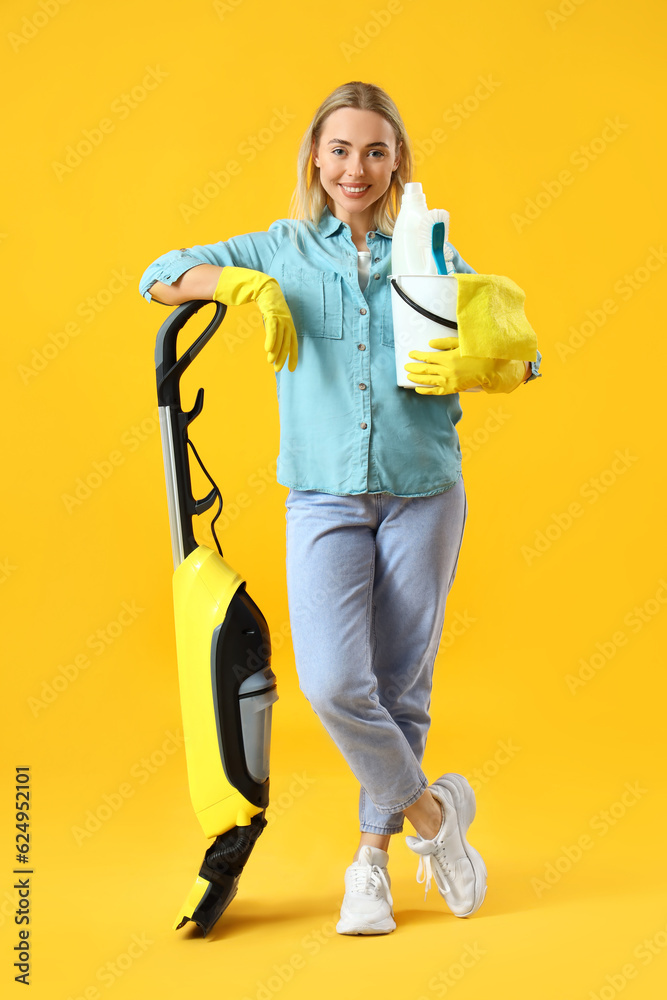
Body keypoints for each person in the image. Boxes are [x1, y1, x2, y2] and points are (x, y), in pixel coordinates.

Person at [139, 80, 542, 936]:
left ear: (397, 161)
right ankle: (435, 821)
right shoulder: (281, 248)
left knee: (399, 684)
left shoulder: (431, 252)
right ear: (314, 160)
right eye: (338, 149)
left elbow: (521, 357)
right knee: (331, 683)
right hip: (322, 496)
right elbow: (158, 275)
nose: (354, 168)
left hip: (424, 490)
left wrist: (477, 360)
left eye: (374, 150)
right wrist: (238, 288)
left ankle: (369, 862)